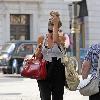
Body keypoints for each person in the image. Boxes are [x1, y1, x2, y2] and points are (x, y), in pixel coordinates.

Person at [35, 11, 66, 100]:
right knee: (45, 97)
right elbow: (37, 56)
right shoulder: (42, 38)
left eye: (54, 26)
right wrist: (39, 48)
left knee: (58, 97)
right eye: (50, 26)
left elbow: (55, 40)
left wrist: (55, 23)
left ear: (58, 27)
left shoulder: (62, 37)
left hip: (58, 69)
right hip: (44, 69)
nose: (51, 29)